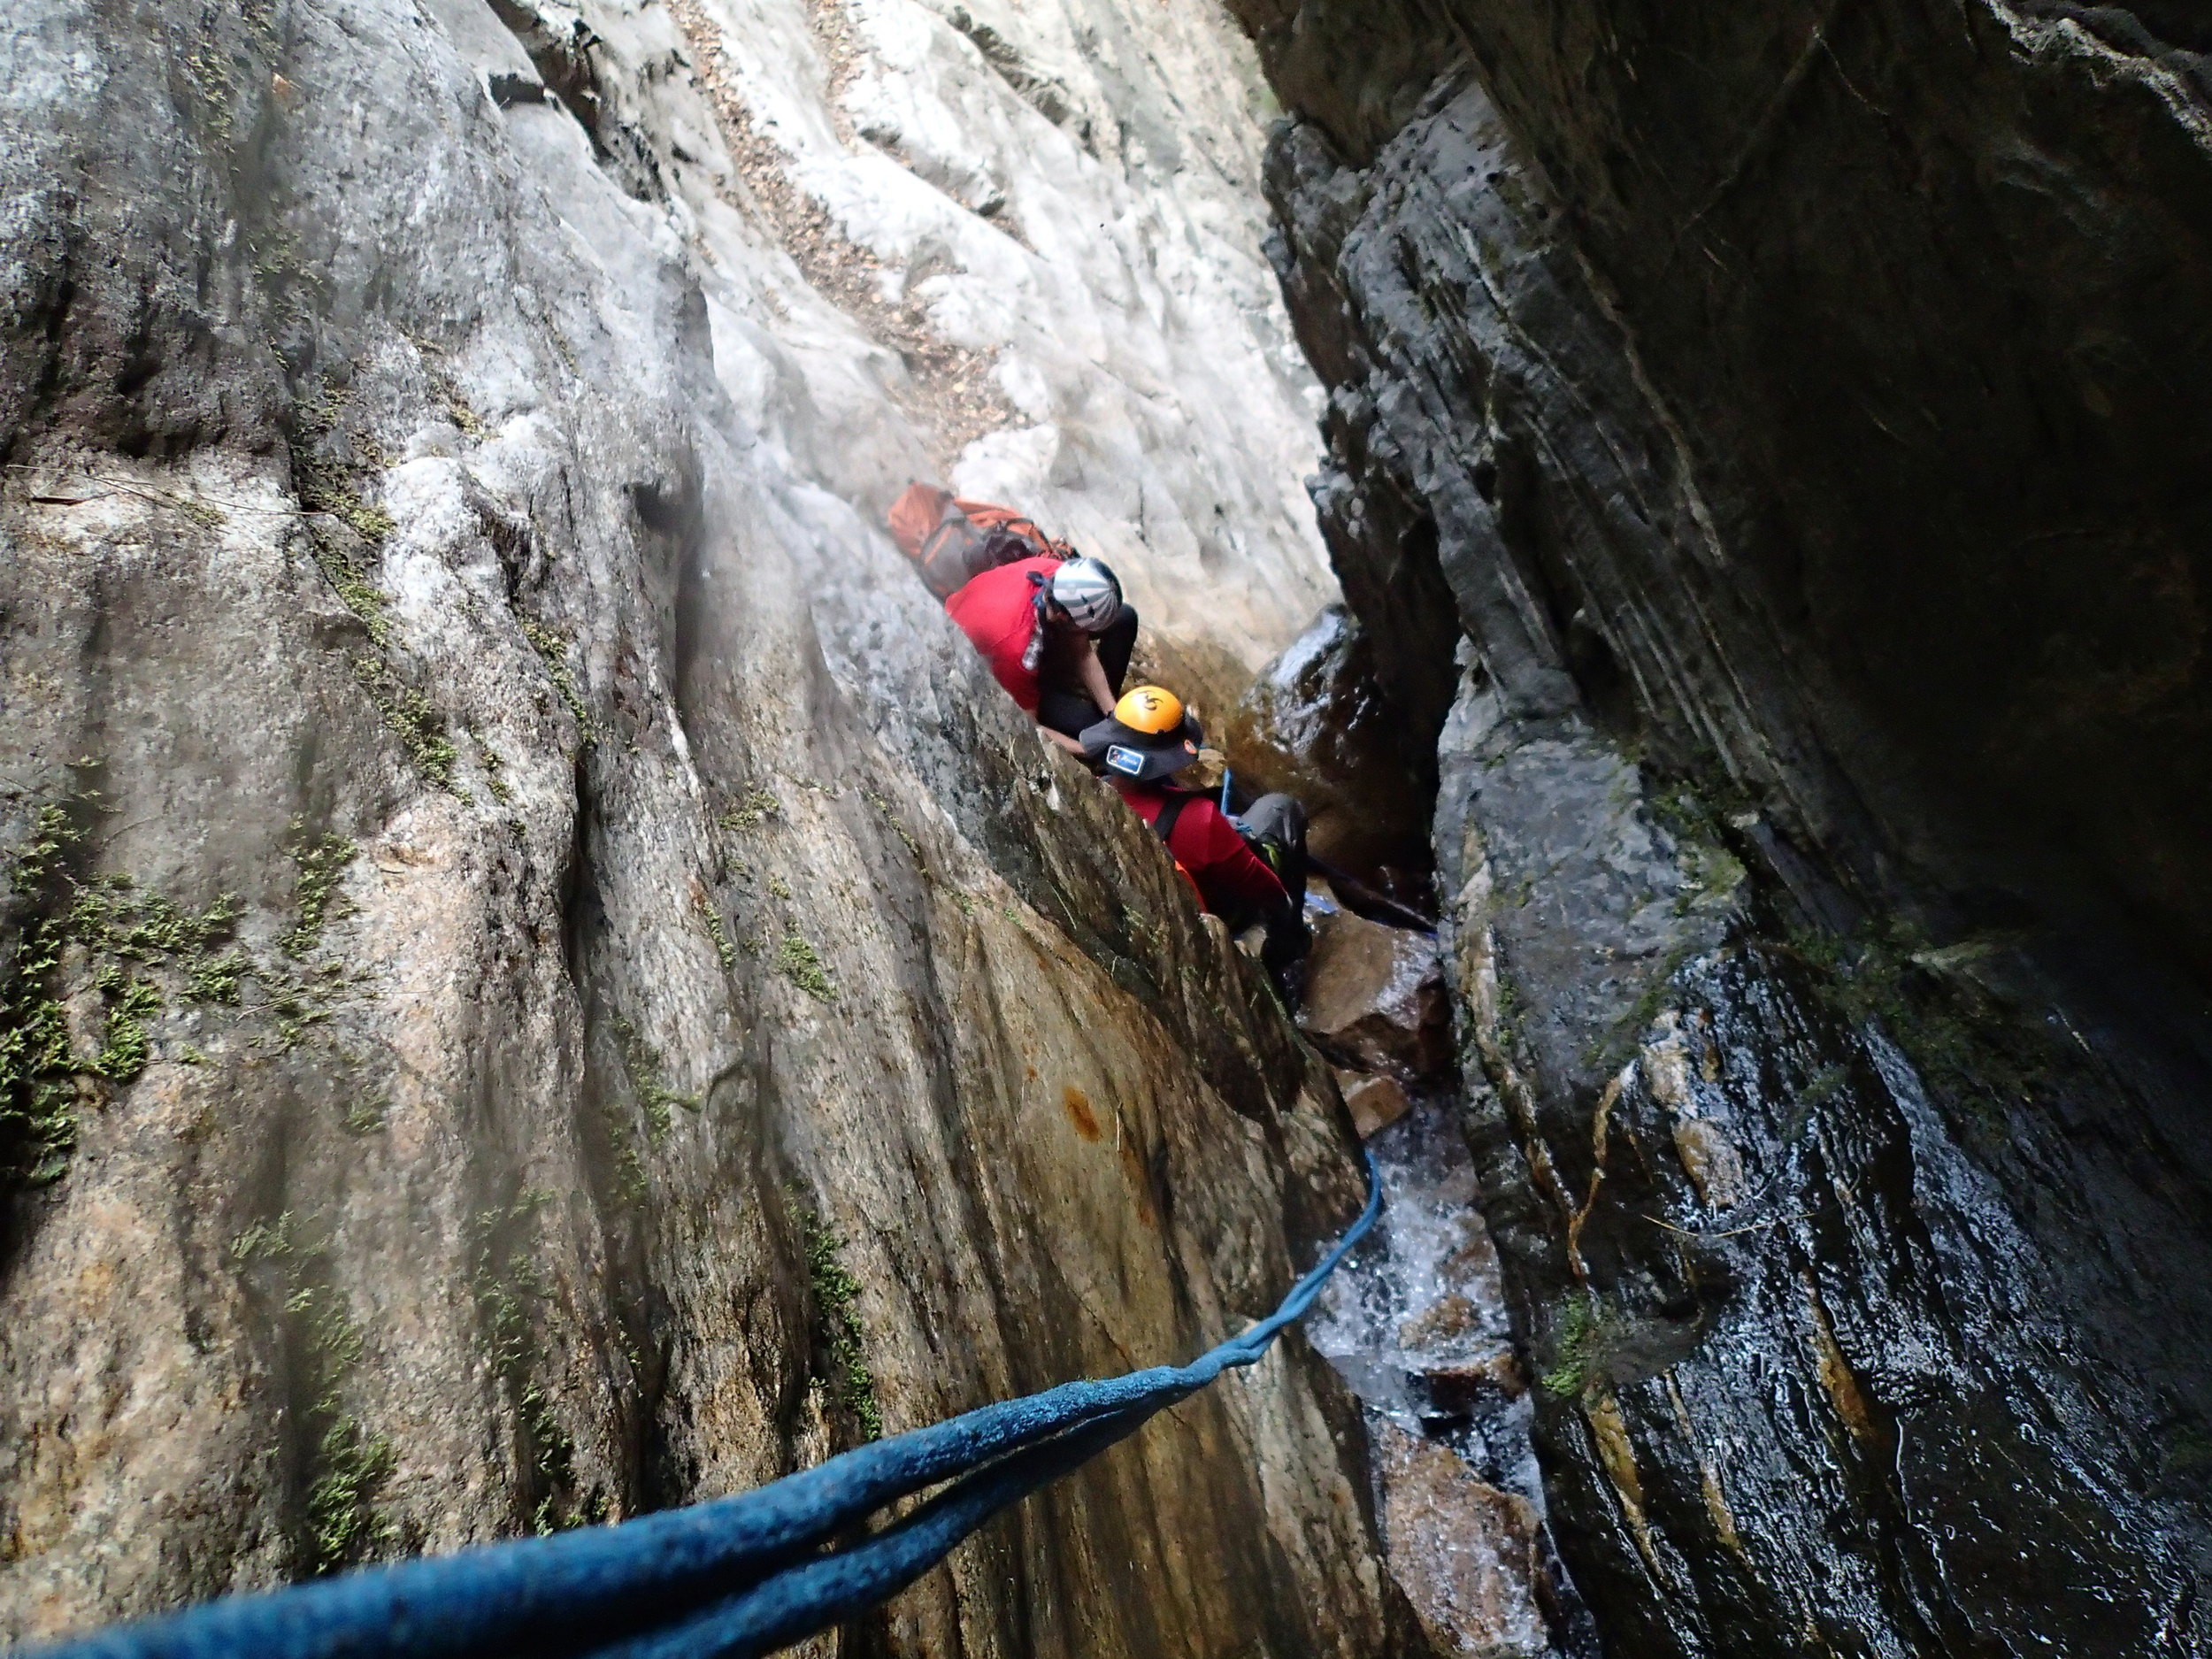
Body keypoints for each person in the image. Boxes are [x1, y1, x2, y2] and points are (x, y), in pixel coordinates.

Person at [1081, 686, 1310, 989]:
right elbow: (1264, 888)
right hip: (1217, 912)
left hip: (1143, 909)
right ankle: (1287, 950)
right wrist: (1284, 906)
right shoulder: (1199, 819)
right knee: (1281, 808)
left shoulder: (1089, 792)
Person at [943, 554, 1138, 753]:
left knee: (1125, 618)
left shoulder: (1061, 577)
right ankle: (1093, 719)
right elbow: (1029, 726)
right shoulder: (1019, 652)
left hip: (999, 612)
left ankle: (1104, 719)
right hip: (984, 652)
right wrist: (1086, 750)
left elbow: (1083, 654)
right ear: (1063, 617)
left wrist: (1115, 716)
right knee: (1094, 731)